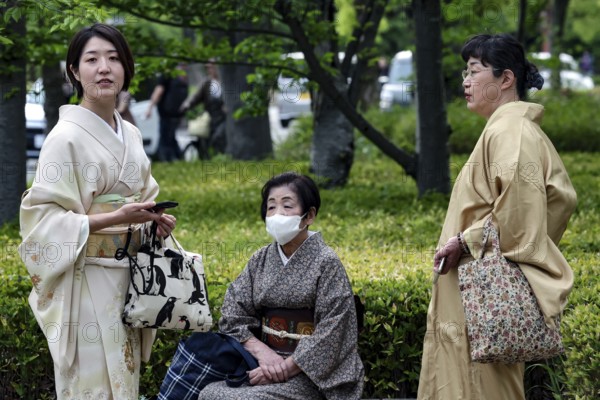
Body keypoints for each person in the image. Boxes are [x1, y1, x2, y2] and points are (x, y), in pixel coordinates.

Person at [18, 23, 177, 398]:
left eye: (113, 58)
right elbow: (43, 222)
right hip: (84, 280)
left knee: (123, 381)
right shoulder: (64, 138)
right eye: (92, 59)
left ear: (126, 68)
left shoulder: (132, 135)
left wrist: (153, 224)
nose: (104, 68)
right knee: (92, 386)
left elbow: (144, 198)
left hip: (129, 279)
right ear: (75, 71)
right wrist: (118, 218)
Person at [417, 33, 577, 399]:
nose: (466, 82)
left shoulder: (511, 131)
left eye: (474, 71)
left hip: (481, 292)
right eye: (465, 73)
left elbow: (520, 220)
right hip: (473, 290)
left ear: (506, 79)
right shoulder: (506, 129)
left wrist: (466, 241)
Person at [198, 172, 364, 399]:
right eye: (271, 207)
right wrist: (263, 354)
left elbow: (334, 330)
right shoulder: (261, 258)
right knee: (208, 393)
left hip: (311, 374)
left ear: (309, 216)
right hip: (261, 362)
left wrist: (284, 369)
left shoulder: (327, 262)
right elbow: (232, 313)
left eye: (287, 206)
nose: (277, 214)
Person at [180, 60, 227, 156]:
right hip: (211, 116)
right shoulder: (207, 83)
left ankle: (221, 156)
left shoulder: (225, 82)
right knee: (206, 138)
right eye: (207, 67)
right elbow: (196, 96)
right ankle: (209, 157)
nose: (209, 69)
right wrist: (187, 104)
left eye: (211, 67)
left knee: (219, 137)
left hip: (224, 117)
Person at [145, 63, 189, 161]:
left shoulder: (178, 76)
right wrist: (150, 108)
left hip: (172, 113)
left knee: (167, 136)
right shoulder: (169, 75)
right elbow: (159, 91)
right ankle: (172, 156)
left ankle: (169, 157)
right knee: (168, 135)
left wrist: (149, 108)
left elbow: (159, 91)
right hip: (169, 113)